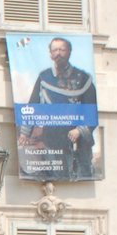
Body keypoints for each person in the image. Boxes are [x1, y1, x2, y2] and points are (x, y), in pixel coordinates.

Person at [20, 35, 97, 179]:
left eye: (62, 50)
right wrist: (25, 132)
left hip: (77, 141)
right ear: (50, 54)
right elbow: (32, 107)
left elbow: (91, 112)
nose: (58, 53)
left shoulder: (83, 79)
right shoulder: (44, 77)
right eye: (55, 50)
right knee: (57, 177)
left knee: (79, 177)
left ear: (69, 52)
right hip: (52, 138)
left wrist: (80, 130)